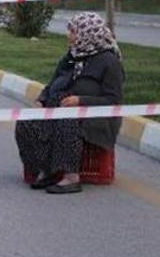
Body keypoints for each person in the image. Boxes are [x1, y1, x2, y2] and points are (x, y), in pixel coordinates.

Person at [16, 12, 124, 194]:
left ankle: (71, 177)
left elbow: (113, 100)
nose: (69, 35)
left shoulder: (109, 62)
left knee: (67, 118)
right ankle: (47, 170)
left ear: (87, 34)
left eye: (73, 31)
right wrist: (42, 100)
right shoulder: (71, 57)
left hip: (95, 118)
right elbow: (52, 83)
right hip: (61, 107)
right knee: (27, 122)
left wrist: (81, 100)